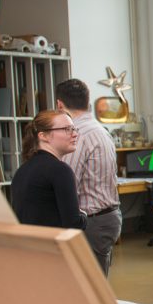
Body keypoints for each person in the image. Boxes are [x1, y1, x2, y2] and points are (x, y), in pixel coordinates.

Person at [55, 79, 121, 276]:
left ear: (59, 105)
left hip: (92, 220)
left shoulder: (78, 134)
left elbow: (68, 182)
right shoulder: (101, 130)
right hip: (106, 216)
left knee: (90, 288)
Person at [11, 110, 87, 230]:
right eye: (67, 129)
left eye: (74, 129)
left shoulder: (22, 170)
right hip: (52, 246)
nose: (75, 134)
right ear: (43, 136)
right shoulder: (60, 170)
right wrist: (83, 216)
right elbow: (73, 225)